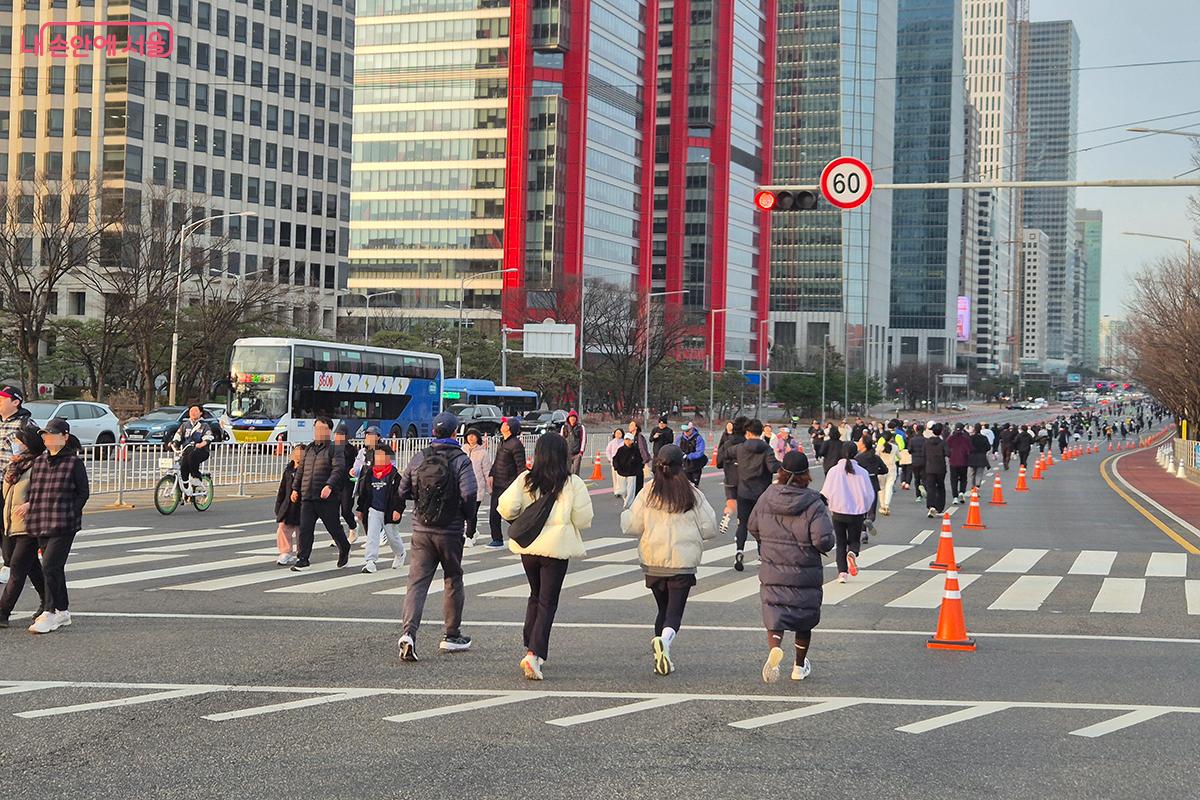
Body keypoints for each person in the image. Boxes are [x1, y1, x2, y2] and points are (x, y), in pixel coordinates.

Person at [499, 433, 594, 681]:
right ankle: (534, 652)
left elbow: (506, 507)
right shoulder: (572, 483)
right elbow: (584, 519)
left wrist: (522, 519)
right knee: (548, 601)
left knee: (535, 594)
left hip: (529, 547)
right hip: (556, 548)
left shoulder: (526, 480)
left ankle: (531, 641)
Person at [621, 444, 717, 676]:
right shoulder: (692, 493)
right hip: (682, 563)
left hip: (654, 561)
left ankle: (661, 654)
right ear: (681, 466)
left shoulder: (648, 492)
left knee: (662, 610)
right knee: (674, 614)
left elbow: (631, 525)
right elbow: (710, 527)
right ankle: (664, 642)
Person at [396, 412, 478, 661]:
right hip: (450, 531)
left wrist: (422, 502)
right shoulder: (460, 459)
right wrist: (466, 520)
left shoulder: (420, 456)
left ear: (434, 431)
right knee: (453, 578)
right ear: (456, 433)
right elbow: (469, 493)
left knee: (417, 582)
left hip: (421, 529)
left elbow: (403, 489)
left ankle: (409, 633)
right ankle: (452, 635)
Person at [750, 450, 834, 683]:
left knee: (775, 610)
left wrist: (765, 541)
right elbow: (822, 540)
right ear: (806, 474)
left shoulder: (767, 496)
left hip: (773, 565)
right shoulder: (814, 502)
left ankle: (774, 648)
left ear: (781, 472)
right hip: (804, 568)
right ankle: (798, 666)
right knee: (803, 618)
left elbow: (753, 525)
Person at [20, 417, 89, 634]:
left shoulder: (74, 462)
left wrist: (71, 511)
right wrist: (29, 505)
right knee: (54, 567)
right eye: (45, 435)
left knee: (49, 565)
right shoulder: (40, 461)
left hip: (64, 523)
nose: (48, 439)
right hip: (41, 520)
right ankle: (63, 610)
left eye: (52, 434)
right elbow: (35, 490)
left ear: (65, 437)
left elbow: (83, 492)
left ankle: (49, 611)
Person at [289, 416, 352, 571]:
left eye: (323, 429)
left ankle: (344, 547)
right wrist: (295, 488)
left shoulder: (335, 448)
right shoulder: (309, 449)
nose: (319, 432)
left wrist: (329, 485)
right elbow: (301, 471)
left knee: (333, 527)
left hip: (327, 498)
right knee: (305, 528)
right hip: (308, 496)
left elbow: (338, 469)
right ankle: (303, 559)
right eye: (317, 428)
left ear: (329, 430)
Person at [0, 428, 47, 627]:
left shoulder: (39, 466)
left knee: (17, 568)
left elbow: (46, 494)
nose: (15, 444)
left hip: (29, 526)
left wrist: (30, 505)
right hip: (11, 524)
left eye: (19, 441)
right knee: (29, 565)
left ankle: (3, 613)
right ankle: (49, 601)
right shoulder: (15, 466)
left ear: (29, 445)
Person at [820, 442, 873, 584]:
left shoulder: (834, 471)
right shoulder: (862, 472)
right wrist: (865, 509)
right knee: (854, 540)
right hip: (856, 513)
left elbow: (825, 492)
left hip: (838, 511)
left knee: (841, 542)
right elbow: (869, 494)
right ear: (856, 453)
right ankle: (853, 552)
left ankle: (842, 573)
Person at [0, 385, 36, 585]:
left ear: (16, 402)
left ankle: (9, 564)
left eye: (3, 399)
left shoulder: (25, 423)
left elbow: (35, 449)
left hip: (13, 482)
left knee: (8, 525)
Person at [733, 420, 779, 572]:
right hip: (762, 492)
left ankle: (739, 550)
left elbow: (722, 457)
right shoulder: (767, 449)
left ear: (748, 433)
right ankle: (761, 555)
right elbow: (773, 468)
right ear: (761, 432)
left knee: (742, 523)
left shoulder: (739, 448)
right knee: (762, 524)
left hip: (743, 491)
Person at [356, 443, 406, 573]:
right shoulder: (369, 474)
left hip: (389, 510)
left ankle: (400, 553)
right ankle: (370, 561)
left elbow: (400, 495)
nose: (378, 458)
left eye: (381, 456)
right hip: (373, 509)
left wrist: (398, 510)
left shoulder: (395, 476)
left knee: (392, 537)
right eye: (376, 456)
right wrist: (360, 508)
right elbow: (364, 493)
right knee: (372, 535)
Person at [487, 417, 526, 549]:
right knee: (494, 513)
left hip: (508, 484)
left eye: (504, 423)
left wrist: (521, 483)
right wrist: (491, 474)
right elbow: (498, 461)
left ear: (509, 427)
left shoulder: (516, 444)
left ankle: (525, 534)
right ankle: (497, 539)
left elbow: (521, 466)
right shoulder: (502, 442)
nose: (502, 425)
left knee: (508, 514)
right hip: (498, 482)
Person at [170, 403, 214, 492]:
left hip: (201, 451)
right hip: (186, 450)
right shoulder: (185, 425)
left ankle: (196, 476)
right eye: (191, 411)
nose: (193, 413)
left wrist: (202, 444)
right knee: (183, 468)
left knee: (192, 456)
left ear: (201, 413)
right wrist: (174, 443)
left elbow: (208, 437)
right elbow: (178, 436)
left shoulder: (204, 425)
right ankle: (186, 490)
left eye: (195, 411)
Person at [273, 444, 305, 566]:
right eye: (296, 453)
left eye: (301, 453)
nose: (298, 455)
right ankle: (285, 551)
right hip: (287, 505)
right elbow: (282, 489)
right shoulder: (288, 470)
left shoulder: (306, 470)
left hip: (301, 505)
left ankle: (301, 553)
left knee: (301, 531)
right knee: (283, 528)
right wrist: (278, 506)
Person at [715, 417, 747, 535]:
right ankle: (740, 529)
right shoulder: (747, 443)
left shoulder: (727, 443)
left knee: (731, 502)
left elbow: (718, 462)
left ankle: (727, 515)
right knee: (744, 506)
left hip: (729, 477)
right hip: (745, 478)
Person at [461, 428, 492, 546]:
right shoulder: (462, 450)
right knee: (464, 512)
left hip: (477, 487)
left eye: (473, 436)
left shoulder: (483, 453)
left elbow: (487, 472)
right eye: (469, 436)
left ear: (478, 438)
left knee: (472, 513)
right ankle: (473, 531)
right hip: (463, 486)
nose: (471, 438)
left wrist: (490, 489)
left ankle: (469, 536)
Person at [853, 435, 886, 541]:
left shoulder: (858, 458)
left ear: (863, 445)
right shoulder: (875, 457)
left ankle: (863, 533)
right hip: (873, 484)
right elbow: (885, 470)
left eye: (859, 441)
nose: (858, 443)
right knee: (871, 511)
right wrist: (875, 472)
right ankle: (870, 521)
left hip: (861, 486)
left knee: (861, 510)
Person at [333, 423, 359, 542]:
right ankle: (339, 537)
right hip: (334, 483)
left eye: (341, 435)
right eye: (336, 434)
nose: (338, 437)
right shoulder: (331, 448)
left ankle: (353, 527)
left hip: (348, 483)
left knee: (345, 510)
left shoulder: (351, 450)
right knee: (333, 512)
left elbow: (355, 466)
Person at [612, 432, 644, 511]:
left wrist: (638, 469)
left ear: (632, 441)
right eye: (626, 439)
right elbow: (615, 459)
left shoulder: (635, 450)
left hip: (632, 473)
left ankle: (627, 506)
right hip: (622, 472)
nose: (627, 441)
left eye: (629, 440)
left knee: (631, 490)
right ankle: (626, 501)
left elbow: (640, 461)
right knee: (623, 490)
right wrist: (616, 467)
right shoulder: (620, 450)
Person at [946, 423, 972, 504]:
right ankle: (961, 492)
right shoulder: (966, 438)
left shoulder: (951, 438)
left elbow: (946, 448)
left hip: (953, 462)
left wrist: (950, 455)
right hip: (963, 462)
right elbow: (970, 449)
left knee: (954, 480)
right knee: (963, 478)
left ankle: (955, 497)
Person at [676, 422, 707, 487]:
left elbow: (700, 452)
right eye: (684, 431)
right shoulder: (679, 438)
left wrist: (689, 456)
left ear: (692, 429)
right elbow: (676, 448)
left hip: (695, 466)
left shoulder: (698, 438)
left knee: (694, 486)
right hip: (684, 466)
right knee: (684, 486)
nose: (686, 433)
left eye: (687, 431)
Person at [874, 431, 897, 517]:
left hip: (881, 469)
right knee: (889, 487)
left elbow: (876, 456)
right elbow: (899, 457)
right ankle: (887, 505)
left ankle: (882, 506)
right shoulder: (895, 447)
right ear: (891, 438)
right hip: (892, 469)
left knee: (882, 488)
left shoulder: (879, 447)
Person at [627, 420, 651, 496]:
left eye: (631, 425)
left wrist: (645, 461)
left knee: (638, 482)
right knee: (631, 483)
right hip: (630, 462)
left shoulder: (639, 437)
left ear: (636, 427)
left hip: (638, 463)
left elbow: (642, 449)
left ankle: (638, 497)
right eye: (629, 425)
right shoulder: (629, 437)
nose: (629, 426)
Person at [560, 410, 587, 476]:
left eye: (574, 417)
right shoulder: (564, 427)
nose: (572, 419)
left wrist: (581, 452)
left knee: (575, 472)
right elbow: (561, 440)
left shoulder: (581, 427)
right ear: (568, 418)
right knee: (566, 472)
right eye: (571, 417)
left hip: (577, 453)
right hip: (567, 453)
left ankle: (576, 485)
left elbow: (583, 439)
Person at [968, 423, 991, 490]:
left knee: (972, 473)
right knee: (979, 473)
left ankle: (973, 487)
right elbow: (988, 447)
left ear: (974, 429)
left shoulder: (971, 438)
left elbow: (968, 447)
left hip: (972, 457)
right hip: (981, 457)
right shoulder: (984, 438)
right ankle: (977, 485)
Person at [908, 423, 927, 503]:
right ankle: (923, 487)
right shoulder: (926, 440)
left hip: (915, 461)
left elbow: (909, 450)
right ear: (923, 430)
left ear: (916, 430)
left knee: (917, 478)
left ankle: (918, 495)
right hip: (924, 461)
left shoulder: (912, 440)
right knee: (924, 477)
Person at [605, 428, 626, 495]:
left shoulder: (624, 442)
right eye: (616, 433)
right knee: (615, 477)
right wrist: (610, 459)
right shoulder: (612, 442)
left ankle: (621, 489)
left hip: (622, 462)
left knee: (621, 477)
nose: (618, 434)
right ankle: (616, 491)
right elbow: (608, 451)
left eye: (619, 433)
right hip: (614, 462)